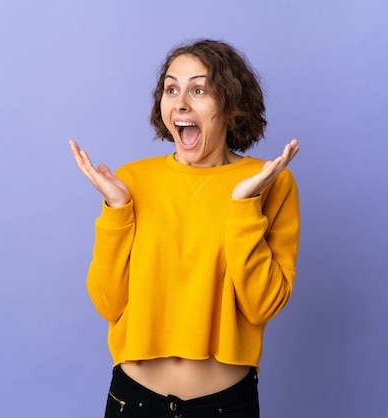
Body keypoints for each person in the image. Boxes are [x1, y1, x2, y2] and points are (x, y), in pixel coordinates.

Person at [69, 39, 300, 418]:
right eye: (171, 89)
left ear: (231, 105)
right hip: (134, 401)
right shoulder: (132, 182)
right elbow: (108, 303)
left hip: (225, 406)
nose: (180, 103)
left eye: (198, 90)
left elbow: (262, 306)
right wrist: (116, 210)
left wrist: (243, 207)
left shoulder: (269, 182)